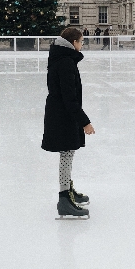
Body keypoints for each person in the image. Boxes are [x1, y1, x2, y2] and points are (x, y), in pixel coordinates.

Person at [42, 27, 95, 219]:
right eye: (81, 42)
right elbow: (69, 98)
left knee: (68, 153)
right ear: (73, 43)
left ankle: (68, 190)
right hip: (63, 115)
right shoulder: (65, 62)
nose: (82, 45)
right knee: (66, 155)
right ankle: (64, 198)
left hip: (61, 113)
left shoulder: (63, 58)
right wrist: (84, 122)